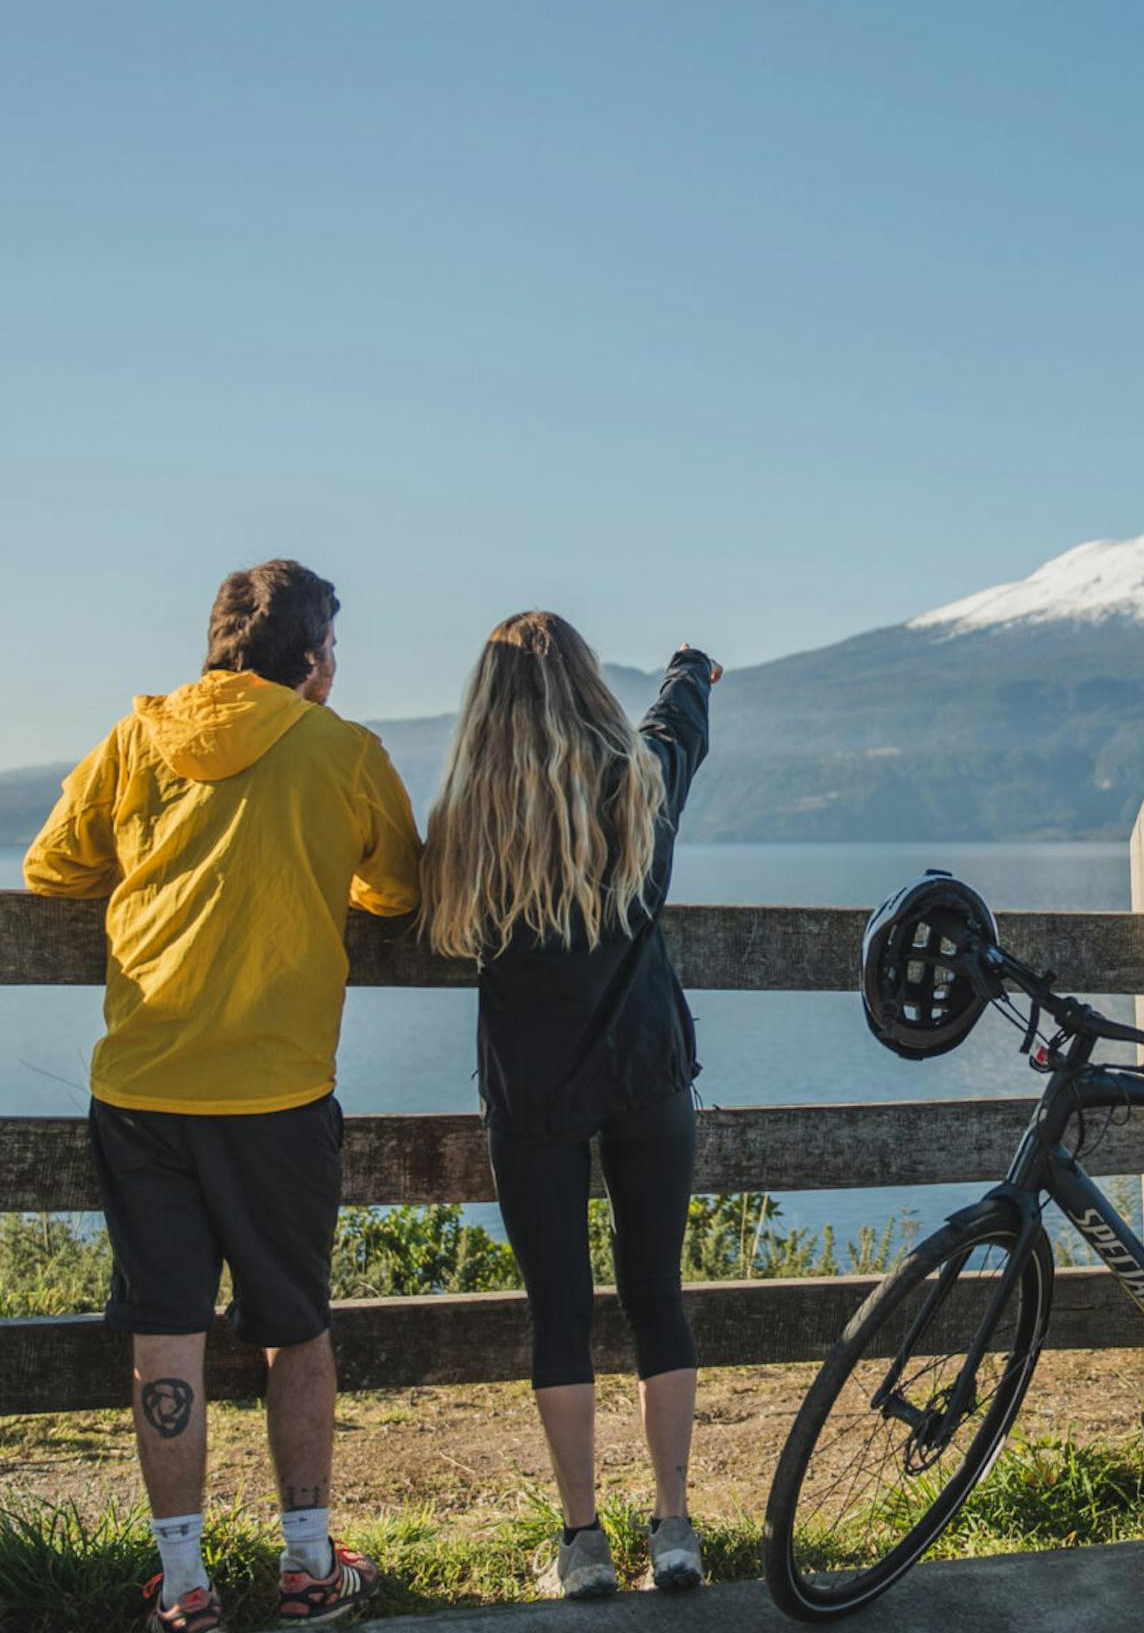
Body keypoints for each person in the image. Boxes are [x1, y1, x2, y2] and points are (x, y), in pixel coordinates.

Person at [25, 559, 421, 1632]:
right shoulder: (343, 752)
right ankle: (305, 1566)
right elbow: (398, 889)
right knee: (295, 1330)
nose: (336, 665)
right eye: (332, 647)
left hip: (143, 1086)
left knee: (167, 1333)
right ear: (309, 660)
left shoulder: (135, 738)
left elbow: (52, 868)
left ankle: (187, 1586)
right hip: (279, 1093)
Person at [416, 613, 717, 1599]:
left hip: (533, 1087)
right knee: (655, 1295)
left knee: (560, 1311)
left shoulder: (472, 818)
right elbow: (680, 726)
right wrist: (688, 668)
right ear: (589, 684)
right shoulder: (640, 783)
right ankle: (674, 1529)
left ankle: (582, 1542)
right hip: (647, 1070)